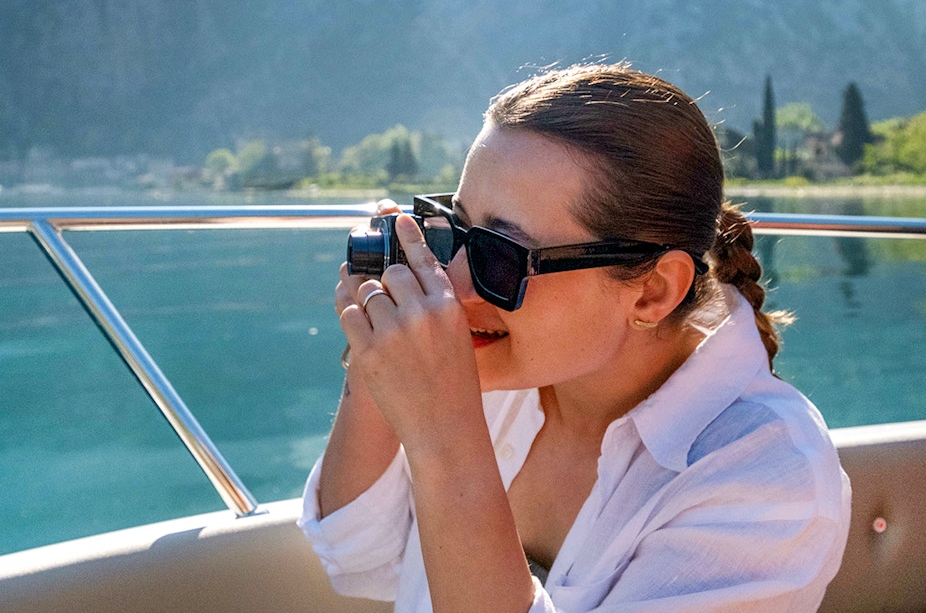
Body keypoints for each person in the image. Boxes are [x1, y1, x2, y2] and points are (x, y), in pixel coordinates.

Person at [298, 62, 851, 613]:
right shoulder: (505, 364)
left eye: (500, 255)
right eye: (457, 231)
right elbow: (357, 558)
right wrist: (378, 346)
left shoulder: (770, 481)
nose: (451, 282)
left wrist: (446, 434)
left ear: (652, 292)